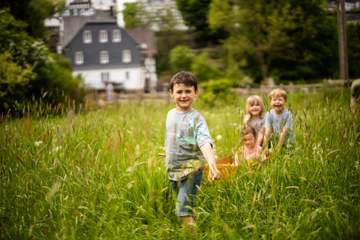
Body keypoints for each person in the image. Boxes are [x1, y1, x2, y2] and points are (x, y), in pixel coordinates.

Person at [164, 71, 220, 229]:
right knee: (186, 205)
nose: (183, 95)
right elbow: (174, 138)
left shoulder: (197, 119)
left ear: (195, 93)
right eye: (179, 92)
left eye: (188, 91)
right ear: (171, 93)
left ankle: (191, 234)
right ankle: (192, 225)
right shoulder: (170, 115)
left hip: (191, 170)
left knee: (182, 211)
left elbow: (204, 141)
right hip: (173, 169)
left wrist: (212, 164)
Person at [262, 88, 294, 154]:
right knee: (268, 152)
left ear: (285, 101)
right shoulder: (269, 114)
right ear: (270, 102)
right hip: (274, 140)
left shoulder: (288, 114)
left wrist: (278, 148)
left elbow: (284, 132)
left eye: (280, 99)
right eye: (274, 100)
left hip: (286, 140)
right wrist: (265, 147)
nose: (277, 102)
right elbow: (267, 131)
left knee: (287, 152)